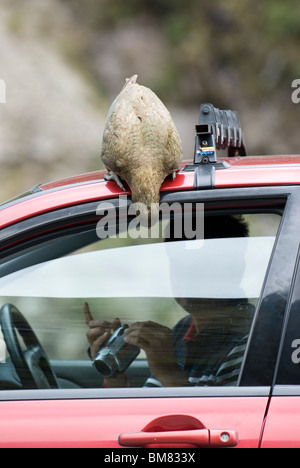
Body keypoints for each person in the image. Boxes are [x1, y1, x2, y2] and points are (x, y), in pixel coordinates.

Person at [84, 215, 254, 388]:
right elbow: (148, 410)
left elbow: (221, 415)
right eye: (177, 264)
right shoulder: (182, 330)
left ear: (235, 268)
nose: (185, 275)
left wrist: (168, 371)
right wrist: (113, 370)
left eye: (200, 264)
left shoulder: (250, 342)